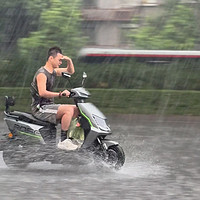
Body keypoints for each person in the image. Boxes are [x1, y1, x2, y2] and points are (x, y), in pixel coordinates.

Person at [30, 46, 79, 150]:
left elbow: (70, 71)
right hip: (40, 108)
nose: (61, 62)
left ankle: (72, 138)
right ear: (51, 58)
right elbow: (42, 93)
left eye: (61, 60)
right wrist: (60, 94)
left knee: (77, 109)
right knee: (68, 110)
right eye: (59, 60)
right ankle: (63, 141)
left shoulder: (53, 71)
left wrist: (69, 60)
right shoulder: (42, 74)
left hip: (49, 106)